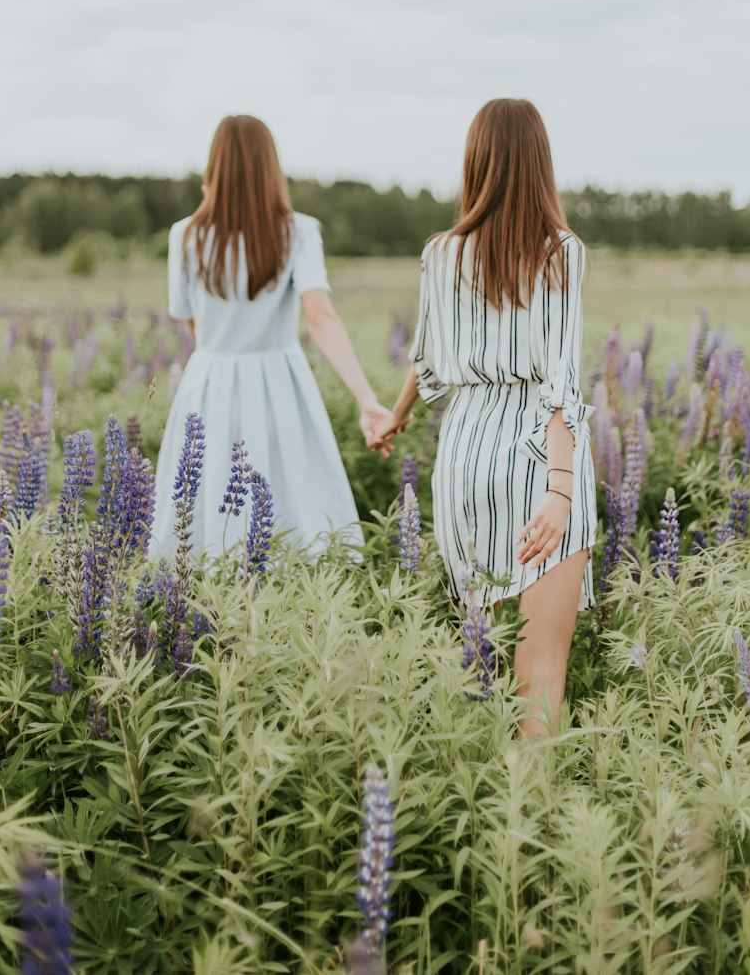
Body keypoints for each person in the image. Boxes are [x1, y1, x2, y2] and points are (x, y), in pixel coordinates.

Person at [369, 99, 597, 738]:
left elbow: (427, 357)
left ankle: (484, 818)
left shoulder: (441, 253)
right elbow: (559, 381)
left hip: (465, 462)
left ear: (477, 162)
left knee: (484, 672)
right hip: (535, 458)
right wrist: (559, 489)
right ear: (539, 164)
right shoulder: (561, 252)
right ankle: (531, 825)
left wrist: (396, 417)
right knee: (540, 677)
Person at [152, 115, 389, 557]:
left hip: (209, 378)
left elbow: (189, 320)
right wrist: (364, 397)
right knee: (295, 501)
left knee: (200, 510)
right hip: (280, 379)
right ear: (270, 167)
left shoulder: (184, 234)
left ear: (214, 167)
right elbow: (320, 318)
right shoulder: (298, 230)